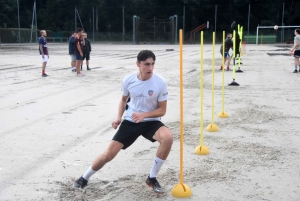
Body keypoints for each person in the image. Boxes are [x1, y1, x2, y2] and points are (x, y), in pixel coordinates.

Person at [73, 50, 173, 194]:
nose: (150, 68)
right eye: (146, 64)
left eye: (152, 64)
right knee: (108, 155)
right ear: (138, 64)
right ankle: (84, 178)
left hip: (151, 121)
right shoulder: (128, 80)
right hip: (131, 121)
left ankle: (152, 177)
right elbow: (123, 100)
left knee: (168, 138)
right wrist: (118, 118)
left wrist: (145, 115)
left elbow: (162, 110)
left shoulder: (160, 82)